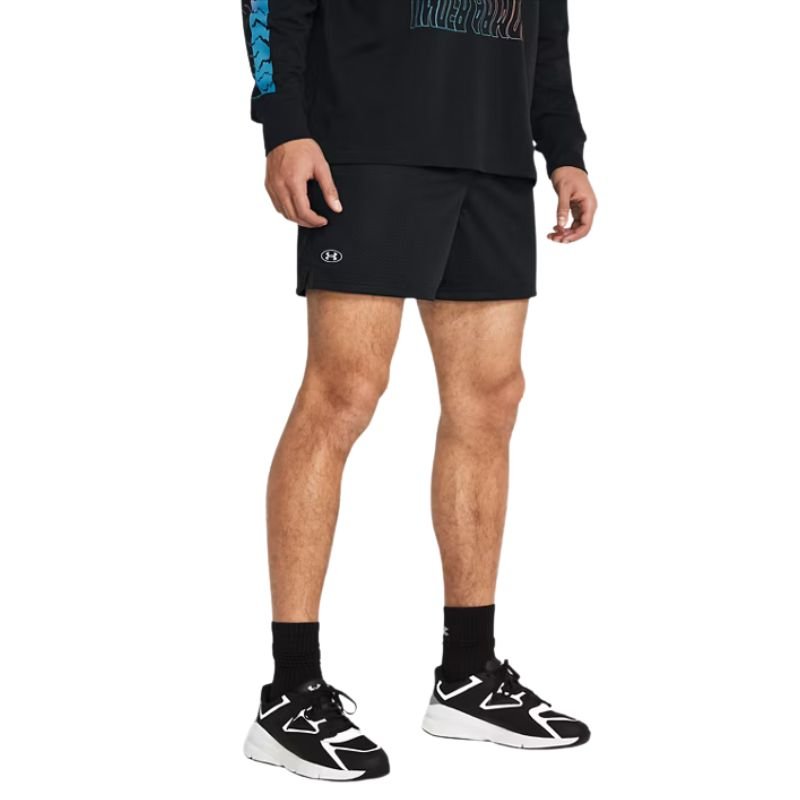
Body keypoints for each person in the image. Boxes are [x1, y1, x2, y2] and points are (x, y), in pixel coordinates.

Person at [239, 0, 597, 781]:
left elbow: (547, 27)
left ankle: (468, 675)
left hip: (495, 154)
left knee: (491, 399)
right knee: (344, 393)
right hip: (368, 142)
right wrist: (284, 124)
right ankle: (289, 692)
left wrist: (564, 148)